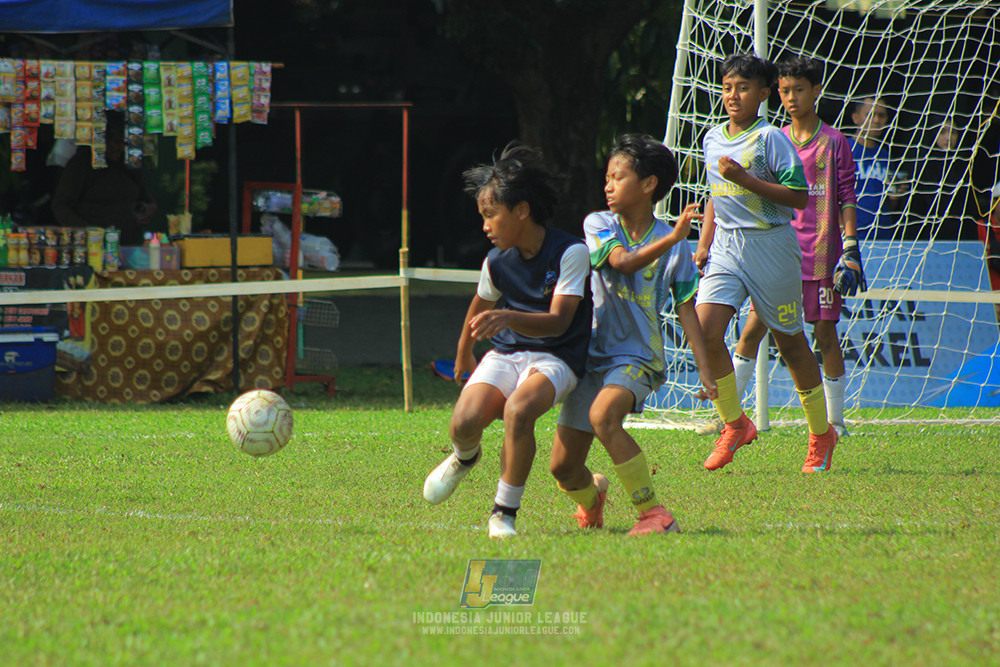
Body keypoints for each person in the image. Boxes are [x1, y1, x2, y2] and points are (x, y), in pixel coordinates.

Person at [422, 142, 593, 539]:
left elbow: (558, 322)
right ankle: (465, 458)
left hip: (558, 356)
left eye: (490, 215)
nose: (484, 225)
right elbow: (478, 308)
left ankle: (504, 513)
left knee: (518, 411)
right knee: (463, 422)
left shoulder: (570, 252)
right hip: (509, 351)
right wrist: (464, 352)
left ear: (521, 211)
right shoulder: (496, 261)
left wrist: (507, 317)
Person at [548, 134, 715, 536]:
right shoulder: (599, 224)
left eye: (617, 177)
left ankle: (655, 514)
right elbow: (621, 263)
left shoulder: (675, 246)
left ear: (648, 184)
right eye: (606, 177)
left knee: (603, 416)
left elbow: (687, 311)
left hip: (637, 356)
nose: (607, 185)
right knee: (563, 468)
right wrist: (672, 239)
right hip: (589, 356)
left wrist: (706, 373)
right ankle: (593, 497)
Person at [696, 56, 862, 438]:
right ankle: (733, 422)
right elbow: (716, 195)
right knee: (725, 332)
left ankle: (828, 427)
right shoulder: (724, 137)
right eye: (727, 88)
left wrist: (849, 245)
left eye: (743, 88)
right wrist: (705, 242)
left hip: (790, 247)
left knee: (806, 339)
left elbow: (814, 196)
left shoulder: (788, 139)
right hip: (736, 248)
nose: (733, 96)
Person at [50, 111, 157, 246]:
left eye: (124, 143)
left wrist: (149, 209)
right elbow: (61, 206)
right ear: (103, 140)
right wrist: (88, 231)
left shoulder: (129, 164)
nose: (120, 148)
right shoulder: (82, 163)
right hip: (94, 246)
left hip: (128, 244)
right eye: (116, 142)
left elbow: (145, 198)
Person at [849, 96, 906, 241]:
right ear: (855, 118)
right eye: (870, 114)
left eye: (881, 115)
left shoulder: (885, 155)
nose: (876, 120)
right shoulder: (843, 149)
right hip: (852, 235)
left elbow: (891, 204)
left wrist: (896, 196)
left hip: (883, 235)